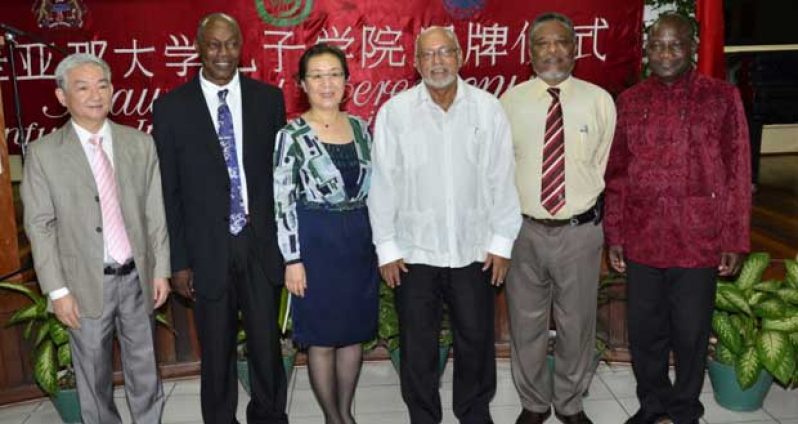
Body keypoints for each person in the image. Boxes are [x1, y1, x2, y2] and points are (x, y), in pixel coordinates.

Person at [368, 26, 521, 424]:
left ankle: (474, 413)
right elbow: (383, 185)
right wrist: (386, 248)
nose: (437, 61)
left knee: (476, 341)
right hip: (414, 253)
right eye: (428, 55)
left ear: (460, 56)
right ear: (416, 63)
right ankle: (423, 416)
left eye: (445, 52)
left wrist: (502, 242)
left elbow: (502, 179)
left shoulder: (488, 110)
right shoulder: (395, 114)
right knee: (418, 347)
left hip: (474, 251)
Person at [604, 13, 750, 424]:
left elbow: (739, 171)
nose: (666, 54)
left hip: (699, 240)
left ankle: (685, 407)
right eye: (657, 46)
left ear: (693, 48)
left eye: (676, 45)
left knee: (690, 334)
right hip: (643, 237)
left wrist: (734, 238)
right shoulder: (630, 102)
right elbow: (616, 173)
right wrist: (615, 233)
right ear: (647, 51)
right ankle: (652, 403)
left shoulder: (721, 97)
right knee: (645, 334)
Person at [152, 12, 288, 424]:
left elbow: (279, 179)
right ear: (198, 46)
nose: (223, 53)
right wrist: (178, 262)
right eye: (213, 44)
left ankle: (269, 415)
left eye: (230, 44)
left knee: (266, 346)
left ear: (240, 46)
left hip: (258, 242)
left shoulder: (268, 99)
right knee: (216, 350)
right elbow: (168, 193)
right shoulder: (171, 107)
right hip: (206, 250)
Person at [21, 53, 170, 424]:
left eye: (102, 85)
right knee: (93, 378)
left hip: (138, 277)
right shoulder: (43, 154)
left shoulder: (139, 144)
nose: (95, 95)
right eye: (82, 87)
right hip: (83, 285)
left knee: (145, 371)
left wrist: (160, 269)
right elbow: (39, 226)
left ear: (113, 91)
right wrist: (57, 291)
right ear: (61, 97)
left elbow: (155, 212)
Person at [500, 12, 616, 424]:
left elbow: (602, 166)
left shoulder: (599, 100)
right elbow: (499, 171)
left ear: (576, 49)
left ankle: (569, 403)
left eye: (561, 42)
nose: (552, 50)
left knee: (577, 322)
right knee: (526, 323)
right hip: (523, 231)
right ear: (529, 53)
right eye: (542, 43)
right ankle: (534, 403)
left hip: (579, 232)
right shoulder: (509, 102)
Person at [273, 43, 378, 424]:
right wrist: (292, 259)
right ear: (303, 84)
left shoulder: (362, 127)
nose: (326, 83)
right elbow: (282, 202)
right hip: (315, 242)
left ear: (347, 82)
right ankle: (333, 418)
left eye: (334, 74)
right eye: (316, 76)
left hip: (357, 242)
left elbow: (376, 190)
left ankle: (345, 412)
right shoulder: (292, 134)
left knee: (352, 332)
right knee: (320, 336)